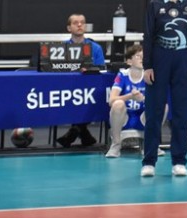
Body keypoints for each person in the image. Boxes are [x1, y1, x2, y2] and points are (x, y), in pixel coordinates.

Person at [141, 0, 187, 178]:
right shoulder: (155, 5)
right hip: (160, 59)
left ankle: (179, 161)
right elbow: (148, 36)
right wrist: (148, 65)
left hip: (183, 60)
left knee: (181, 114)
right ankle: (149, 161)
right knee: (154, 113)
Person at [55, 13, 106, 148]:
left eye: (82, 22)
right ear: (69, 28)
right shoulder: (61, 48)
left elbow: (102, 69)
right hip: (68, 89)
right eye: (75, 23)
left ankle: (75, 132)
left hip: (90, 90)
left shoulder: (96, 48)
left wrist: (89, 70)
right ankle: (84, 134)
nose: (79, 25)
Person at [106, 44, 146, 158]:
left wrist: (143, 99)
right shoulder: (122, 75)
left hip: (143, 118)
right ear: (129, 61)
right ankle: (116, 145)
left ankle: (150, 144)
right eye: (138, 56)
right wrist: (130, 96)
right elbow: (111, 100)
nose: (142, 59)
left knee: (163, 106)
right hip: (124, 119)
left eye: (144, 56)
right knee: (117, 104)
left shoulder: (148, 75)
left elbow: (157, 100)